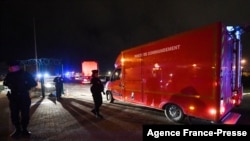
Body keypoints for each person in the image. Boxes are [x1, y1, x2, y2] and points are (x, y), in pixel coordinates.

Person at [3, 60, 37, 138]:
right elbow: (6, 83)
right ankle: (17, 130)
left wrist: (25, 86)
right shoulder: (9, 75)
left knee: (25, 114)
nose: (9, 68)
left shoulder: (25, 74)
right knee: (14, 114)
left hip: (23, 96)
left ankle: (24, 129)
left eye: (10, 67)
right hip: (14, 97)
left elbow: (33, 83)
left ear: (16, 67)